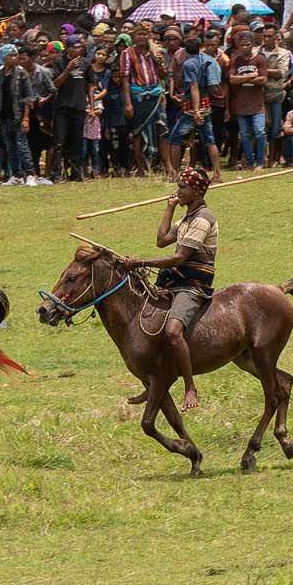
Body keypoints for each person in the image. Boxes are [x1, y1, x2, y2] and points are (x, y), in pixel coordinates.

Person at [119, 165, 219, 411]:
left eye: (182, 188)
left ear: (196, 191)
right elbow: (162, 241)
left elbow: (179, 258)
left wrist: (141, 263)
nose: (178, 191)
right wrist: (169, 207)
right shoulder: (186, 218)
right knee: (148, 323)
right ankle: (153, 384)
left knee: (173, 331)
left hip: (192, 284)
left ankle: (190, 387)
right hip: (174, 280)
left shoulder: (203, 219)